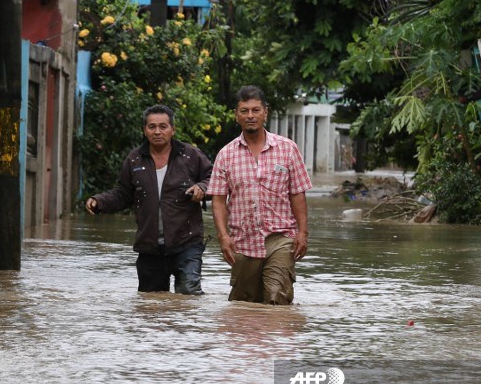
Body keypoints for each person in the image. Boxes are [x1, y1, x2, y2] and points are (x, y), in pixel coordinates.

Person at [85, 104, 213, 295]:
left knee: (189, 296)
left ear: (173, 129)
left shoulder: (190, 155)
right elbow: (123, 193)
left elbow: (216, 179)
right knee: (150, 307)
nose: (157, 131)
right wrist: (99, 201)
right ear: (144, 130)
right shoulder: (135, 159)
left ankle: (186, 327)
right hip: (149, 247)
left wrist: (202, 188)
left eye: (163, 126)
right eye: (152, 127)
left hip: (187, 244)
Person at [207, 85, 312, 304]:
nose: (250, 116)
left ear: (266, 112)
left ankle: (275, 337)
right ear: (236, 115)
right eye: (244, 111)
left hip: (281, 238)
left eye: (255, 110)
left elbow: (297, 194)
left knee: (277, 299)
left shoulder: (287, 149)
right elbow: (218, 200)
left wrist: (302, 232)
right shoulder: (226, 155)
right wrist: (223, 237)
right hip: (242, 241)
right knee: (243, 305)